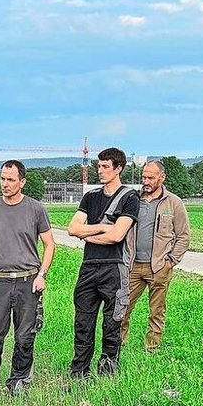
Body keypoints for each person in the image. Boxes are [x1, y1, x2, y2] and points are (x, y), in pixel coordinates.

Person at [0, 159, 55, 400]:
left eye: (10, 180)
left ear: (22, 182)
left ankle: (19, 381)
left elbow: (49, 244)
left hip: (28, 281)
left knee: (25, 336)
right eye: (2, 179)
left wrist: (41, 275)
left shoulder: (35, 208)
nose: (5, 184)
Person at [66, 148, 139, 378]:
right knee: (83, 323)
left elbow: (117, 235)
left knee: (112, 323)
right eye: (99, 166)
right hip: (89, 266)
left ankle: (108, 370)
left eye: (105, 166)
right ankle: (79, 372)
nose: (100, 171)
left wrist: (86, 234)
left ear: (118, 169)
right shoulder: (91, 197)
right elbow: (72, 228)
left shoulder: (130, 198)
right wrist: (100, 227)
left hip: (114, 266)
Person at [119, 159, 189, 353]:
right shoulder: (133, 199)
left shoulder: (173, 203)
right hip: (133, 266)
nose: (146, 181)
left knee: (156, 311)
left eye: (150, 177)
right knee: (123, 307)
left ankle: (152, 348)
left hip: (159, 267)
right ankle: (117, 345)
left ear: (162, 177)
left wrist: (170, 261)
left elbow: (183, 236)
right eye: (144, 177)